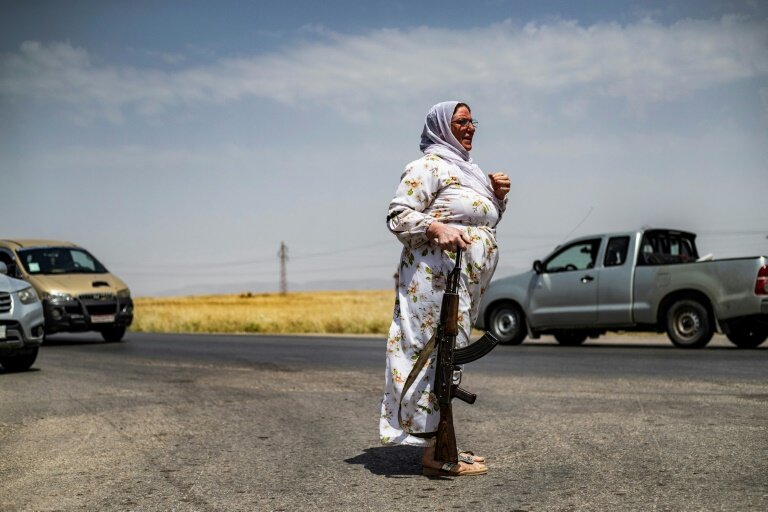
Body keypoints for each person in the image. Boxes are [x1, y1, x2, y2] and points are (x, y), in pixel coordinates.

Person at [379, 101, 510, 476]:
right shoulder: (427, 167)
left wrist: (497, 197)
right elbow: (398, 215)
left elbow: (484, 220)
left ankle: (444, 442)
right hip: (434, 283)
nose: (470, 127)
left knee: (450, 359)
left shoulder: (468, 170)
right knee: (435, 357)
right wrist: (436, 229)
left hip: (462, 283)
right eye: (461, 121)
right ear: (442, 126)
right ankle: (437, 454)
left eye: (472, 121)